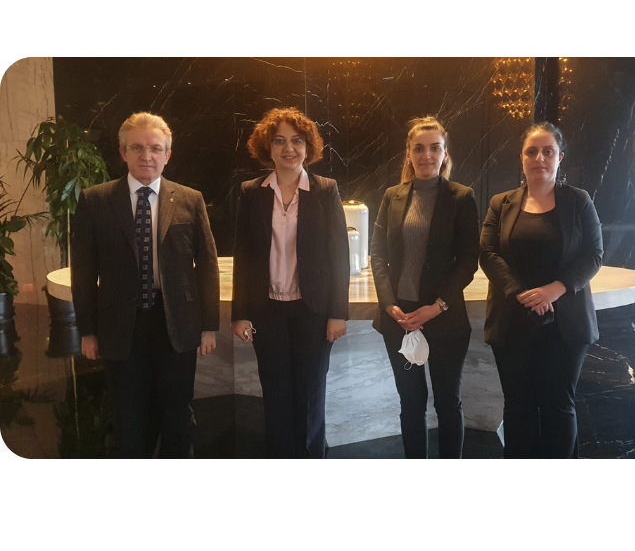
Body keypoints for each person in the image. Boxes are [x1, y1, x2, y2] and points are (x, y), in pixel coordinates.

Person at [71, 112, 220, 458]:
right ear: (122, 152)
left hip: (177, 324)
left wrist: (209, 326)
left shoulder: (190, 199)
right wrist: (87, 331)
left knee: (177, 416)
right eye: (137, 147)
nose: (146, 155)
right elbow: (84, 271)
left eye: (155, 148)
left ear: (168, 154)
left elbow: (207, 266)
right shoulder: (95, 200)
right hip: (119, 326)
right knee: (127, 418)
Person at [231, 107, 349, 459]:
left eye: (297, 141)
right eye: (279, 141)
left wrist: (337, 313)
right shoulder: (251, 192)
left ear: (308, 147)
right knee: (276, 394)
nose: (289, 149)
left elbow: (338, 255)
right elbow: (244, 256)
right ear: (267, 147)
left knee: (311, 394)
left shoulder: (325, 190)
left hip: (314, 310)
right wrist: (240, 313)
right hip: (266, 310)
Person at [480, 121, 603, 458]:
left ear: (560, 157)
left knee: (558, 406)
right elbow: (487, 253)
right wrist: (521, 293)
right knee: (517, 407)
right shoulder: (501, 203)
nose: (539, 158)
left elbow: (594, 254)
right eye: (531, 151)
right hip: (512, 321)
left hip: (565, 324)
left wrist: (554, 289)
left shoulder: (579, 201)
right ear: (521, 158)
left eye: (548, 151)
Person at [370, 116, 480, 458]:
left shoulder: (461, 197)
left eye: (434, 148)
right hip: (400, 319)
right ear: (408, 153)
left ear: (444, 153)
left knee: (447, 402)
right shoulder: (392, 196)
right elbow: (378, 253)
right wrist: (389, 304)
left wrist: (436, 307)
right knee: (411, 402)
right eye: (419, 148)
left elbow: (468, 261)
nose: (426, 155)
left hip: (443, 317)